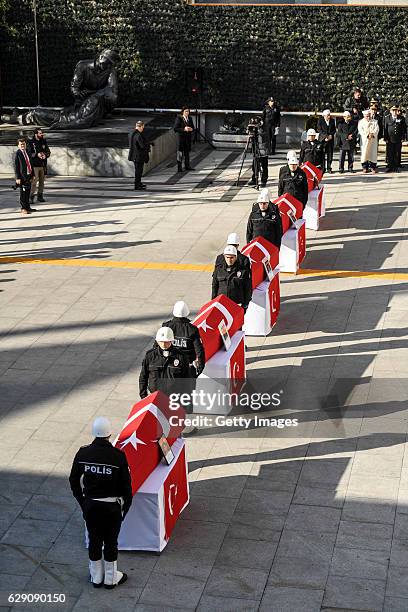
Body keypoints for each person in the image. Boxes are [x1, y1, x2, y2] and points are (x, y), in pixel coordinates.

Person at [69, 416, 132, 589]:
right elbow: (127, 487)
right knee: (111, 541)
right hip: (112, 507)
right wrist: (124, 510)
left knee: (94, 539)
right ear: (109, 434)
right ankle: (111, 578)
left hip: (91, 506)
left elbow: (74, 480)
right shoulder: (118, 456)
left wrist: (83, 502)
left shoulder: (83, 453)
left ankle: (96, 576)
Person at [20, 49, 119, 130]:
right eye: (108, 63)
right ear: (101, 58)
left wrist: (94, 94)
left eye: (111, 64)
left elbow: (113, 93)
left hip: (89, 106)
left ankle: (22, 117)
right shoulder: (83, 66)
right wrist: (79, 94)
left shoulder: (109, 72)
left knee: (45, 115)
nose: (109, 66)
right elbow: (74, 88)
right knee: (57, 115)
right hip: (81, 105)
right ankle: (21, 117)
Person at [139, 327, 191, 399]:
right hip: (154, 397)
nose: (163, 344)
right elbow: (143, 377)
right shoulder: (150, 356)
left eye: (166, 341)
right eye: (161, 341)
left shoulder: (181, 356)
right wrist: (143, 396)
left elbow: (187, 380)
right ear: (157, 341)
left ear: (171, 341)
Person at [159, 301, 205, 378]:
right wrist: (200, 368)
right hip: (186, 369)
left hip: (168, 369)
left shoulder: (166, 326)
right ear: (186, 313)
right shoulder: (192, 330)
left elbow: (157, 346)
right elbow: (199, 352)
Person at [212, 245, 252, 312]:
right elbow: (214, 286)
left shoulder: (243, 271)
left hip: (237, 304)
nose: (229, 260)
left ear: (236, 257)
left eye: (231, 258)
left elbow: (248, 288)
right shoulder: (219, 270)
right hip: (221, 304)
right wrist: (213, 301)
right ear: (224, 257)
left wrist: (245, 304)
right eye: (227, 257)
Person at [27, 128, 51, 204]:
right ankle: (31, 197)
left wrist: (45, 155)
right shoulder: (30, 142)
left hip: (43, 165)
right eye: (40, 133)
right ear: (36, 134)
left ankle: (40, 196)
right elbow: (28, 153)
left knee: (42, 182)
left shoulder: (44, 141)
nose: (42, 134)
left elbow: (48, 152)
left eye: (42, 133)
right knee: (34, 181)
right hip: (34, 165)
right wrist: (37, 154)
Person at [14, 138, 36, 215]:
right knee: (23, 193)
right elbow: (16, 167)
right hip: (22, 177)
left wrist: (33, 174)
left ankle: (28, 207)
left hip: (29, 175)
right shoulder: (18, 153)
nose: (23, 145)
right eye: (21, 144)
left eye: (24, 144)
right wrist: (17, 178)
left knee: (27, 192)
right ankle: (23, 208)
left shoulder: (27, 152)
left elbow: (31, 164)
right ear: (18, 145)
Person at [383, 105, 407, 173]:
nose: (394, 112)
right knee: (390, 153)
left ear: (397, 111)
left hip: (398, 138)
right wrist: (385, 138)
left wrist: (403, 137)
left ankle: (396, 167)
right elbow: (385, 128)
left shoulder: (401, 118)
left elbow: (403, 129)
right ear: (390, 111)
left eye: (395, 110)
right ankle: (390, 166)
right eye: (393, 110)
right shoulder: (387, 118)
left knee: (397, 153)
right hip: (390, 139)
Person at [128, 121, 151, 190]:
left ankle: (138, 183)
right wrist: (148, 145)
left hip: (134, 155)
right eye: (142, 128)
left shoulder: (131, 133)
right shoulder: (138, 135)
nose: (142, 129)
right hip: (139, 156)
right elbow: (142, 146)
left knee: (137, 171)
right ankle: (137, 185)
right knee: (139, 171)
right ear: (141, 126)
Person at [248, 119, 268, 187]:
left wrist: (258, 130)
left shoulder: (263, 129)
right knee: (254, 166)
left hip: (263, 151)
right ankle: (254, 179)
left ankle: (263, 181)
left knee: (264, 166)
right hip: (256, 150)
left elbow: (263, 137)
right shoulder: (254, 130)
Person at [174, 106, 195, 172]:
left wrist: (191, 129)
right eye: (186, 111)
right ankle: (179, 167)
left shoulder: (190, 118)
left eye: (188, 111)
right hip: (181, 138)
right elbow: (175, 128)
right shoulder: (179, 118)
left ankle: (187, 166)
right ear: (183, 112)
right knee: (180, 152)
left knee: (187, 152)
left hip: (187, 138)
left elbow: (192, 127)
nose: (187, 113)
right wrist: (184, 129)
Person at [358, 109, 379, 174]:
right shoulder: (361, 122)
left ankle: (373, 167)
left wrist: (372, 134)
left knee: (373, 153)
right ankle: (365, 167)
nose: (368, 117)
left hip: (372, 140)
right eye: (367, 116)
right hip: (365, 141)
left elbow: (377, 129)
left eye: (369, 115)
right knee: (364, 154)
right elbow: (360, 131)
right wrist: (367, 135)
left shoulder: (375, 121)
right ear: (364, 116)